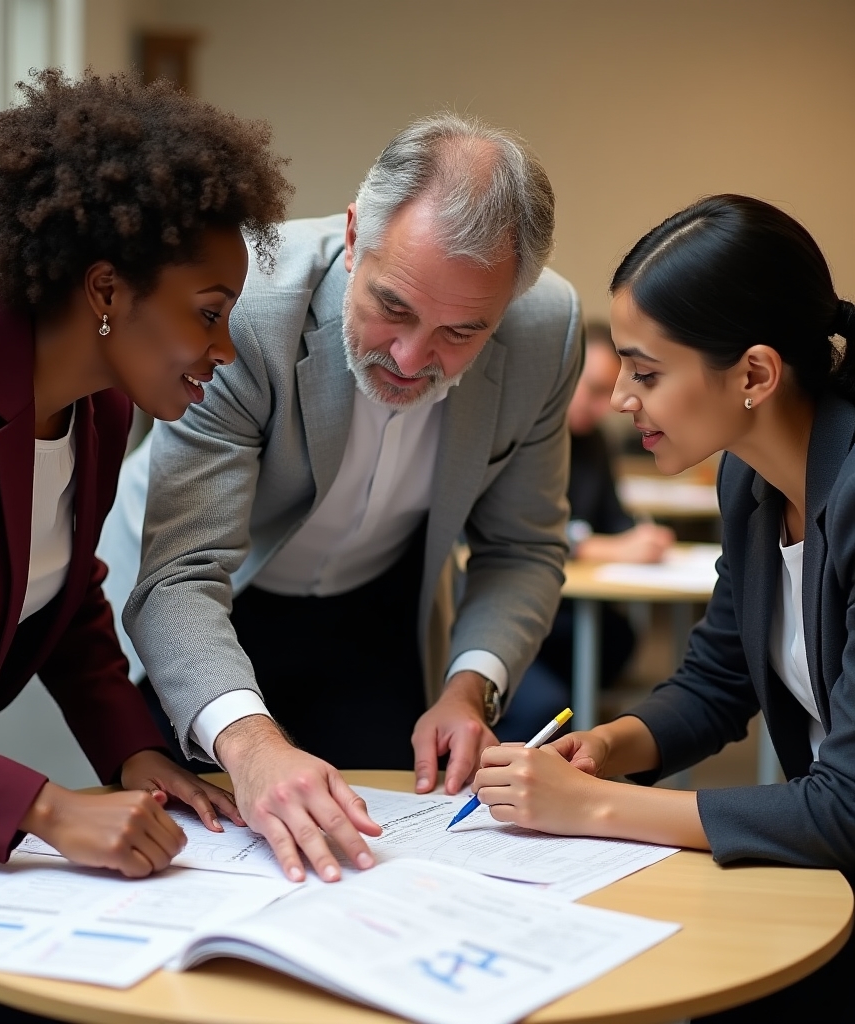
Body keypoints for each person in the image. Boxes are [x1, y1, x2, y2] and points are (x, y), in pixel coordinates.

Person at [0, 70, 292, 1023]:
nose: (227, 351)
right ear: (106, 290)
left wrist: (133, 753)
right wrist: (45, 806)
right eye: (209, 313)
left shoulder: (98, 406)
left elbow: (70, 601)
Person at [116, 113, 582, 885]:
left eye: (460, 333)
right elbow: (181, 573)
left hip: (374, 610)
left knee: (376, 861)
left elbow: (522, 547)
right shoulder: (248, 309)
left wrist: (468, 691)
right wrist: (253, 744)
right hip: (205, 602)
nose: (410, 358)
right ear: (356, 232)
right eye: (393, 308)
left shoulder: (546, 331)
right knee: (194, 869)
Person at [471, 194, 855, 1018]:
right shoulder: (749, 478)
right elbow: (718, 681)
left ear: (754, 373)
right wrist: (609, 747)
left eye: (646, 373)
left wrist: (596, 808)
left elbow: (845, 807)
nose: (619, 398)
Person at [496, 321, 674, 740]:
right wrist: (606, 548)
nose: (604, 406)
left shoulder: (593, 442)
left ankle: (585, 727)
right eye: (593, 390)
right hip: (517, 607)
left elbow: (616, 519)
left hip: (569, 609)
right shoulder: (523, 435)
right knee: (549, 702)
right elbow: (518, 534)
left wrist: (642, 536)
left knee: (619, 639)